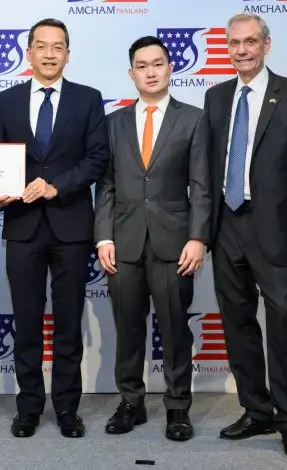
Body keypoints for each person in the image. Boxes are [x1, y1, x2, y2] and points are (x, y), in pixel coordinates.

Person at [200, 13, 287, 460]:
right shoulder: (216, 97)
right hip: (226, 226)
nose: (242, 50)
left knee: (283, 322)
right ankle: (256, 410)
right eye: (234, 43)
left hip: (276, 229)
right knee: (237, 323)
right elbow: (207, 167)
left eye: (251, 41)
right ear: (227, 47)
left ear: (266, 45)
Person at [0, 18, 110, 439]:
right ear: (28, 52)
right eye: (40, 46)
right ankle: (28, 407)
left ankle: (67, 408)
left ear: (68, 54)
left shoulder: (88, 99)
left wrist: (56, 186)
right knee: (25, 323)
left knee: (67, 324)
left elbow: (97, 159)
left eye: (57, 46)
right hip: (22, 226)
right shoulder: (5, 101)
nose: (48, 53)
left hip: (71, 226)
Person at [93, 36, 210, 441]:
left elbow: (202, 185)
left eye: (157, 64)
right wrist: (103, 238)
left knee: (175, 329)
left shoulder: (194, 119)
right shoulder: (114, 123)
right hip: (122, 244)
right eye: (142, 66)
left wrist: (198, 238)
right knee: (128, 328)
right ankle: (131, 403)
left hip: (174, 244)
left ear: (170, 68)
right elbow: (106, 185)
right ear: (131, 74)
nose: (150, 72)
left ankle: (178, 408)